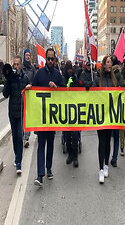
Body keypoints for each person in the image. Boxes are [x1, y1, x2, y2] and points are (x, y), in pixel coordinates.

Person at [30, 48, 64, 187]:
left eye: (52, 59)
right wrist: (28, 88)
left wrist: (56, 87)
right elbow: (33, 90)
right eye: (48, 59)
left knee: (50, 144)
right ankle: (40, 175)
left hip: (52, 117)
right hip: (41, 117)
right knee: (40, 146)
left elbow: (63, 94)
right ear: (45, 59)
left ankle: (48, 168)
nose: (50, 61)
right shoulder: (39, 74)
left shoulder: (57, 75)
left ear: (55, 60)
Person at [95, 55, 125, 183]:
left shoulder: (114, 79)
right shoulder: (98, 78)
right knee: (101, 142)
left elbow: (122, 87)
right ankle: (101, 169)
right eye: (107, 62)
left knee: (108, 142)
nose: (109, 64)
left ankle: (106, 166)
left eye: (110, 62)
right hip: (100, 116)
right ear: (103, 65)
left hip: (111, 116)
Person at [2, 56, 30, 175]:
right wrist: (8, 80)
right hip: (12, 112)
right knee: (14, 136)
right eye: (14, 64)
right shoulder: (11, 78)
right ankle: (16, 156)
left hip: (22, 111)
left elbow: (31, 92)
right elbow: (5, 94)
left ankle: (19, 163)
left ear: (21, 65)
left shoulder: (25, 77)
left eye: (17, 64)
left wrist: (29, 88)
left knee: (19, 136)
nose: (16, 66)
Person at [62, 61, 80, 167]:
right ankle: (70, 155)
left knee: (74, 136)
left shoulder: (75, 78)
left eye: (71, 69)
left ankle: (75, 157)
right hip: (65, 110)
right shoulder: (63, 78)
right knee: (67, 136)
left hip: (74, 109)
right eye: (68, 69)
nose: (69, 71)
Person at [22, 48, 36, 148]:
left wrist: (31, 86)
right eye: (26, 55)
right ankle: (22, 136)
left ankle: (26, 138)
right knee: (22, 116)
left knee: (28, 116)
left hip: (30, 95)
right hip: (21, 95)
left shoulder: (32, 68)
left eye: (29, 55)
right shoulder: (21, 67)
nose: (28, 57)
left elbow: (35, 81)